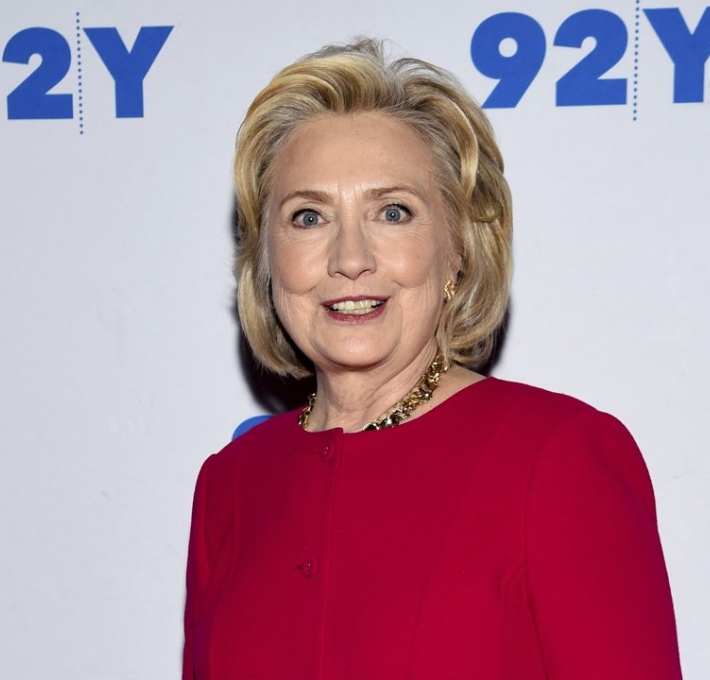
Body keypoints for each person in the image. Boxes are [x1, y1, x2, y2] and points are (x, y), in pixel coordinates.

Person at [183, 38, 681, 679]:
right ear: (267, 260)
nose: (349, 257)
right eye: (308, 216)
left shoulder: (556, 458)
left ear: (458, 250)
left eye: (393, 212)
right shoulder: (232, 483)